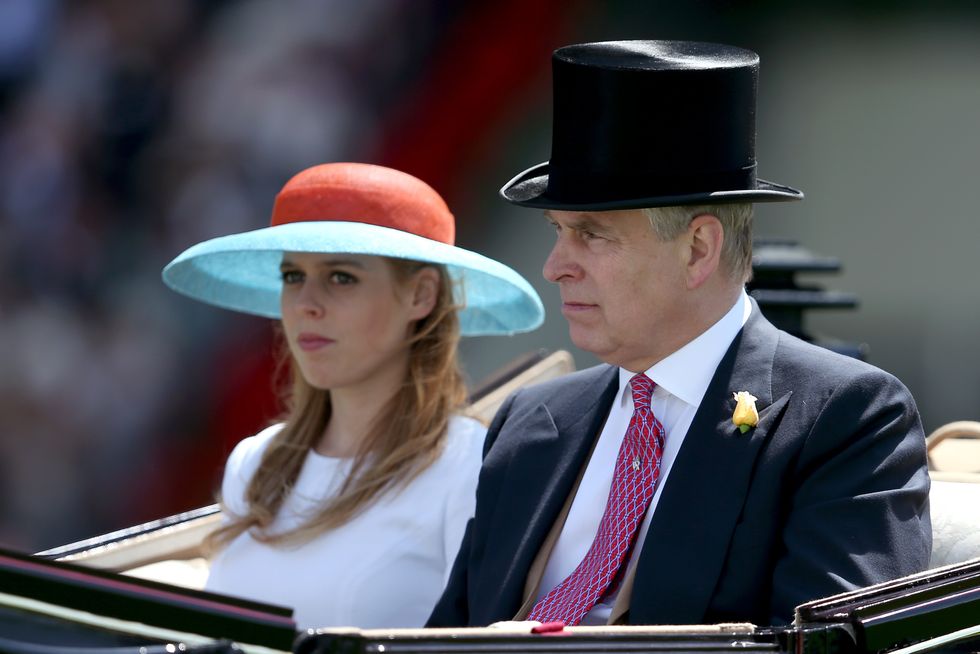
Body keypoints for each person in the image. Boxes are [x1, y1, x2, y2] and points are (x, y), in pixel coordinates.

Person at [427, 40, 931, 628]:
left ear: (697, 249)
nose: (555, 265)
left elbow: (829, 646)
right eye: (558, 231)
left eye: (592, 235)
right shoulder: (532, 419)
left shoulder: (844, 417)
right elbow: (446, 636)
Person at [162, 162, 543, 629]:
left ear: (421, 296)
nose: (306, 304)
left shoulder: (471, 466)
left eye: (341, 277)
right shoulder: (255, 462)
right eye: (292, 276)